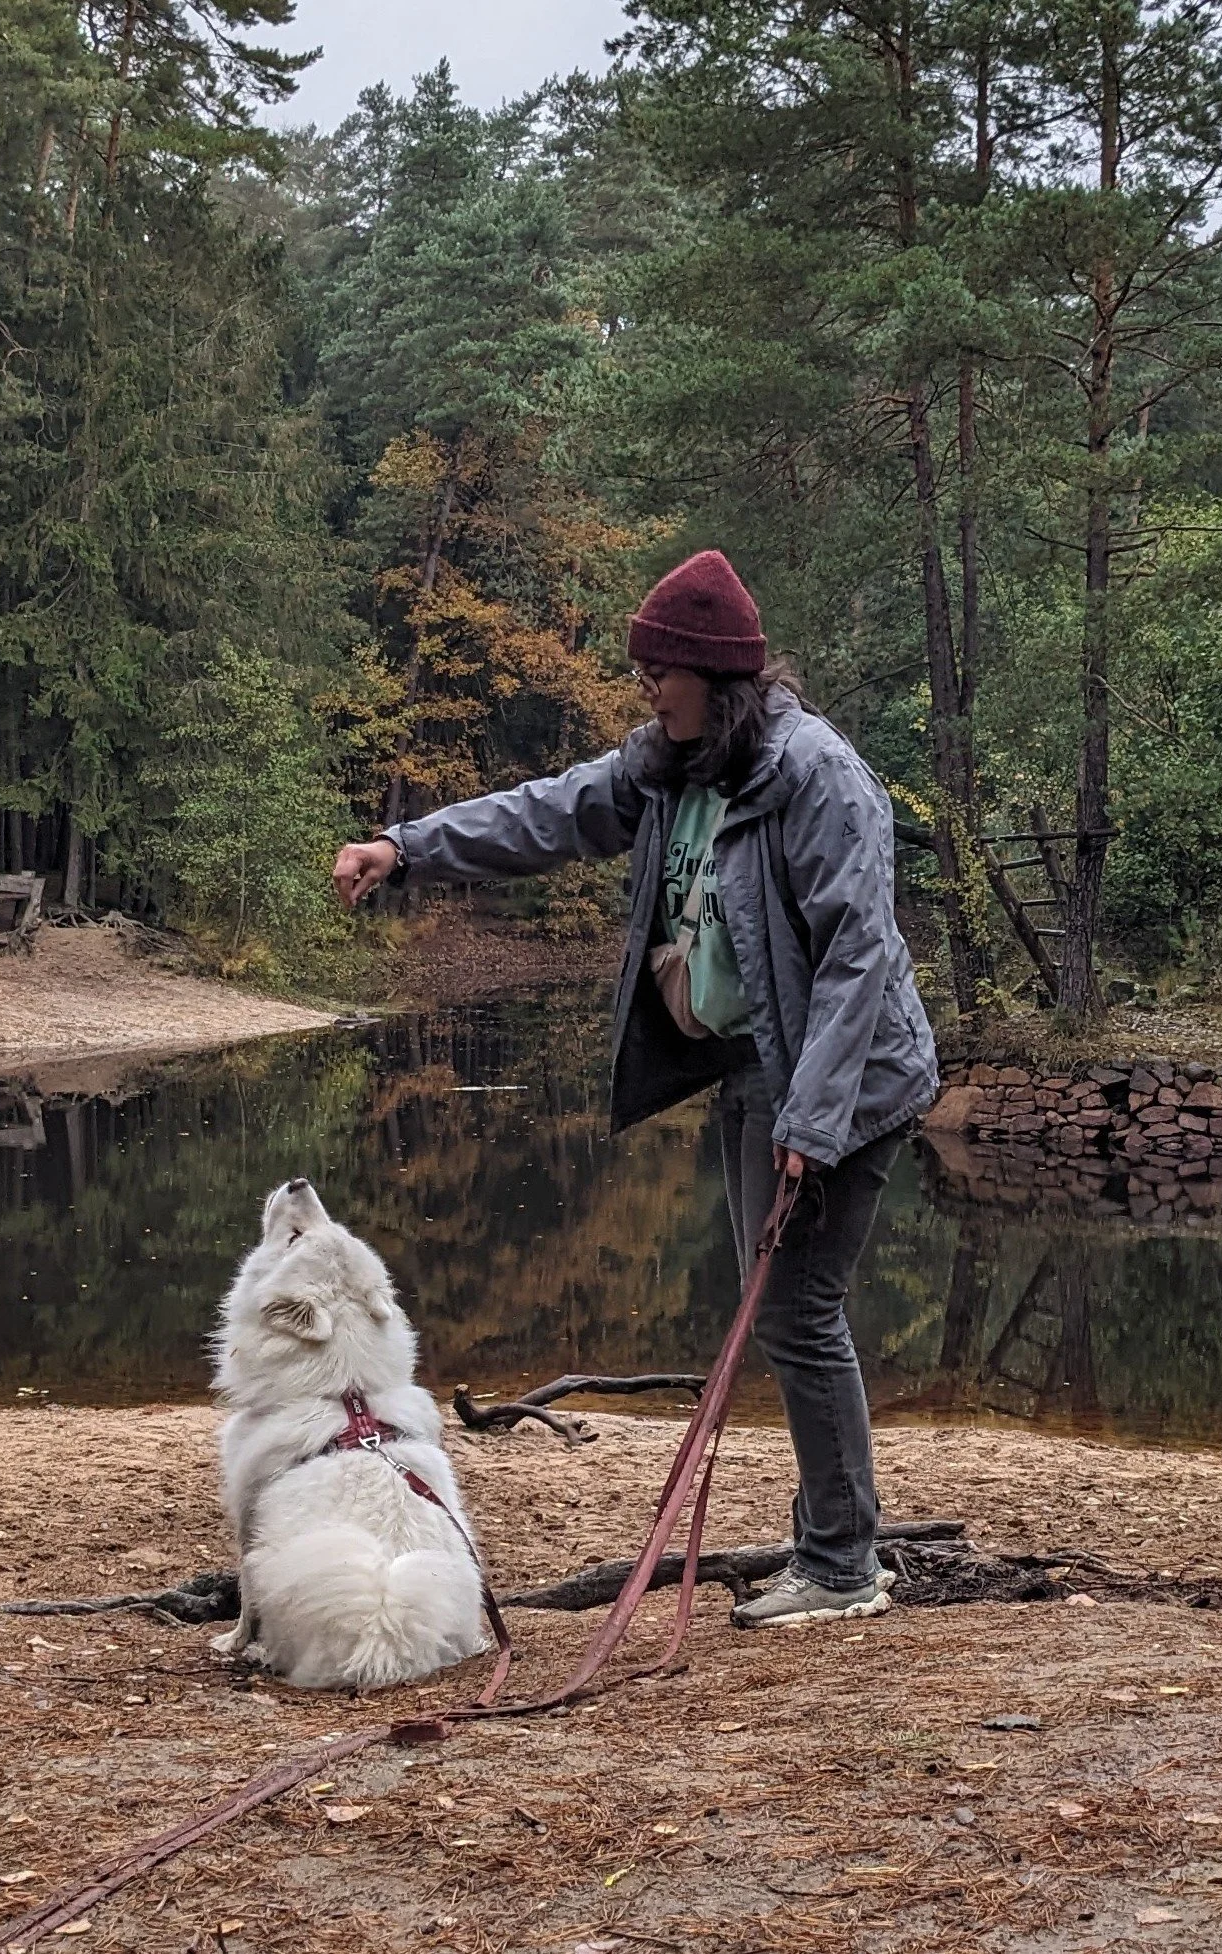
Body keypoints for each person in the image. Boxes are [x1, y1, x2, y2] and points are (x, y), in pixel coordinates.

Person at [331, 548, 941, 1628]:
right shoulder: (671, 762)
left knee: (798, 1305)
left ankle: (844, 1564)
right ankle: (832, 1542)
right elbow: (547, 813)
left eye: (660, 670)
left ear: (715, 674)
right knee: (790, 1306)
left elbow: (857, 956)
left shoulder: (815, 774)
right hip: (760, 1065)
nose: (647, 690)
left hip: (845, 1076)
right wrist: (405, 848)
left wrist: (815, 1120)